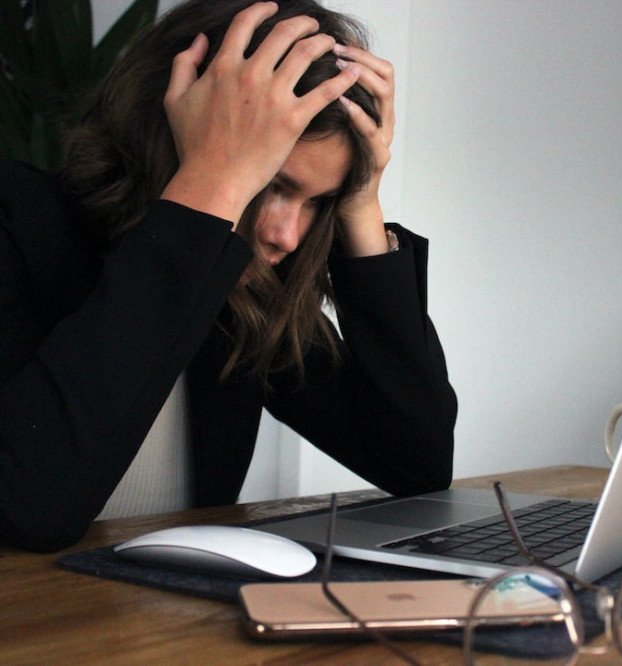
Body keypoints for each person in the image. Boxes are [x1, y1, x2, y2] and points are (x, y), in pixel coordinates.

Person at [0, 0, 456, 552]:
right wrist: (211, 182)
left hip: (165, 631)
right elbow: (30, 509)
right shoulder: (19, 220)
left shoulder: (241, 294)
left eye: (319, 201)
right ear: (171, 136)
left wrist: (360, 205)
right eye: (272, 183)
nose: (287, 237)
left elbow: (415, 463)